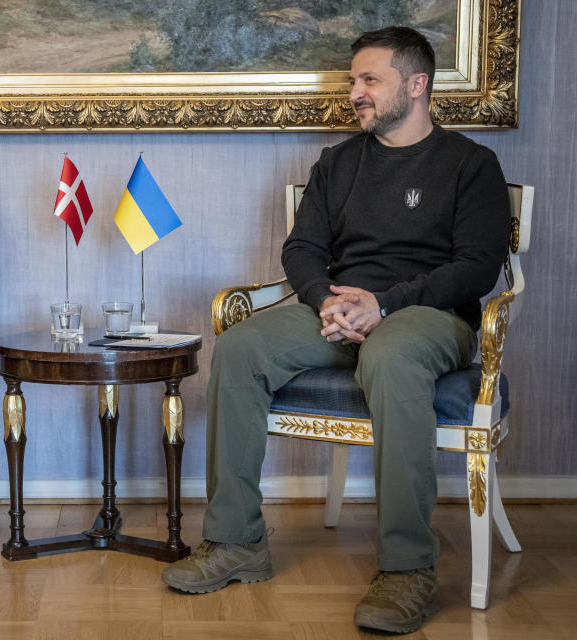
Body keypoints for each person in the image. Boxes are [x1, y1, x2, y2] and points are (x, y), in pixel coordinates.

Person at [161, 26, 510, 634]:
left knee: (393, 357)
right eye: (354, 80)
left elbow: (475, 268)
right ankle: (237, 542)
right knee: (241, 346)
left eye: (370, 79)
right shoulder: (339, 162)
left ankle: (407, 571)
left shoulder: (471, 164)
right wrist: (326, 302)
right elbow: (301, 249)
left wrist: (385, 304)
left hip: (427, 318)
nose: (356, 92)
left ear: (417, 84)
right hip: (338, 311)